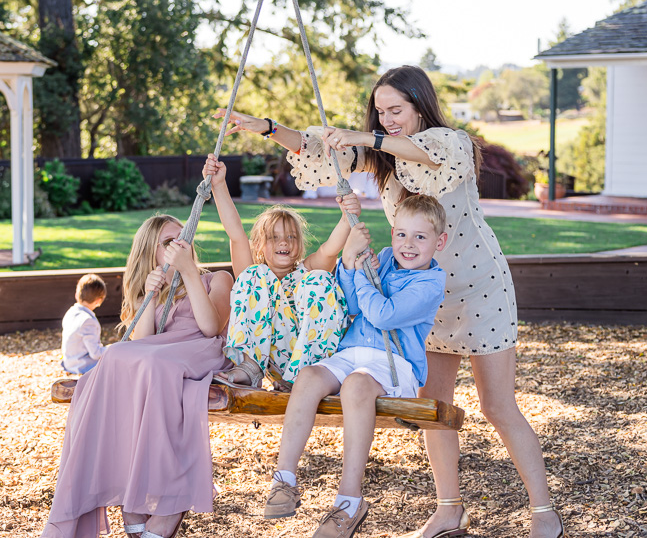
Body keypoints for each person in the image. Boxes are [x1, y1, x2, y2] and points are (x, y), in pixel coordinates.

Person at [216, 64, 563, 538]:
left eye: (395, 110)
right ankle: (448, 510)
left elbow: (421, 150)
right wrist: (272, 130)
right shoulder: (381, 158)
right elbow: (321, 149)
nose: (387, 120)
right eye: (379, 112)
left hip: (479, 289)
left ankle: (545, 514)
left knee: (497, 406)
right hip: (413, 295)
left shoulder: (452, 142)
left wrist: (370, 136)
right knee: (432, 403)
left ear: (420, 104)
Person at [264, 194, 447, 538]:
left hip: (392, 366)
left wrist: (360, 274)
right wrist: (348, 265)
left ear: (440, 242)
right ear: (392, 233)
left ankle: (348, 500)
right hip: (350, 354)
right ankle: (284, 480)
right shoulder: (384, 259)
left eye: (420, 237)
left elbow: (382, 314)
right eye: (402, 234)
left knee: (357, 385)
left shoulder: (430, 283)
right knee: (308, 376)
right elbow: (350, 304)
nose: (408, 245)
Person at [41, 215, 233, 538]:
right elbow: (141, 345)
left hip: (197, 351)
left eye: (182, 237)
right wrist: (151, 297)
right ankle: (128, 489)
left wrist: (187, 270)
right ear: (153, 254)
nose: (180, 245)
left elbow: (211, 327)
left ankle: (168, 494)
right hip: (157, 358)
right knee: (116, 355)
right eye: (169, 243)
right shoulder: (151, 293)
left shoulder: (216, 279)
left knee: (154, 364)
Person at [202, 154, 357, 389]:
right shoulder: (256, 275)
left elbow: (329, 250)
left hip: (316, 363)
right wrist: (219, 185)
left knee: (321, 279)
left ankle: (303, 378)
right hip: (274, 359)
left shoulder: (306, 272)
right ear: (259, 247)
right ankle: (249, 367)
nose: (283, 242)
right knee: (254, 275)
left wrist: (347, 217)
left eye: (290, 237)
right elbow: (235, 234)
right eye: (274, 238)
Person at [60, 273, 108, 375]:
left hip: (70, 362)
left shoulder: (70, 312)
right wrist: (110, 349)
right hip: (82, 366)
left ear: (77, 295)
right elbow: (95, 353)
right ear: (98, 301)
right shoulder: (88, 321)